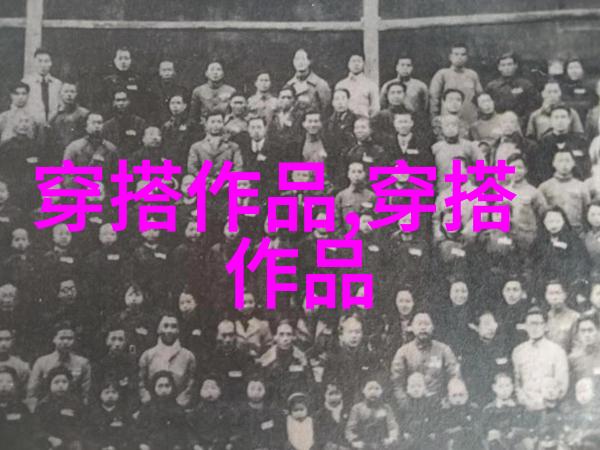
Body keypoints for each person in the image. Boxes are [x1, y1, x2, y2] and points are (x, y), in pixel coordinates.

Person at [391, 312, 460, 405]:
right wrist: (405, 403)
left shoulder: (444, 350)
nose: (423, 327)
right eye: (419, 324)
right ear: (412, 328)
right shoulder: (403, 352)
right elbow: (397, 382)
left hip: (439, 404)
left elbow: (455, 376)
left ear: (432, 327)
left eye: (427, 324)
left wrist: (448, 400)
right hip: (412, 404)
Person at [512, 307, 569, 411]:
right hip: (524, 408)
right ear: (525, 326)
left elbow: (562, 384)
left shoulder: (557, 351)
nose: (534, 328)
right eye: (530, 324)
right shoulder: (518, 351)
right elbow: (516, 384)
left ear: (545, 326)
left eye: (538, 324)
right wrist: (525, 401)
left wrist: (544, 402)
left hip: (549, 408)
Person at [27, 321, 91, 410]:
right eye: (62, 338)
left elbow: (85, 394)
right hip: (47, 409)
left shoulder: (83, 363)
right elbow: (32, 392)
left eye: (70, 338)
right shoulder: (42, 362)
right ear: (54, 339)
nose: (66, 342)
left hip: (73, 408)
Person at [138, 313, 196, 408]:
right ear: (159, 329)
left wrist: (184, 399)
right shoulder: (148, 355)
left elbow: (191, 380)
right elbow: (140, 380)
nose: (169, 330)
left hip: (179, 406)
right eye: (165, 326)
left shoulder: (188, 356)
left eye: (173, 326)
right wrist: (146, 398)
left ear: (178, 330)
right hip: (153, 406)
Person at [135, 370, 193, 450]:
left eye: (167, 386)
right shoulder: (147, 408)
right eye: (160, 386)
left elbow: (184, 431)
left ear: (172, 387)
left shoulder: (178, 409)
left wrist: (179, 445)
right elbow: (139, 430)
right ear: (154, 387)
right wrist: (143, 444)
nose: (164, 390)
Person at [538, 148, 590, 234]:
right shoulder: (544, 187)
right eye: (560, 161)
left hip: (576, 232)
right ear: (553, 163)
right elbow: (541, 213)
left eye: (567, 161)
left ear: (573, 163)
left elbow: (587, 211)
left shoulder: (581, 186)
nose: (564, 164)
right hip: (553, 231)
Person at [429, 43, 483, 124]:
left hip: (470, 120)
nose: (459, 57)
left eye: (463, 54)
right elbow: (434, 99)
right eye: (456, 54)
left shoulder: (472, 75)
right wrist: (434, 119)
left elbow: (480, 96)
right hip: (449, 122)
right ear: (450, 57)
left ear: (467, 57)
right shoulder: (442, 74)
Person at [35, 366, 84, 450]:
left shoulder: (75, 403)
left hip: (71, 443)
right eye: (56, 382)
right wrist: (50, 438)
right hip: (49, 443)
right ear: (49, 384)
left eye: (64, 382)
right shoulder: (43, 405)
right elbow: (37, 429)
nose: (61, 385)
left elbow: (81, 425)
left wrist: (76, 439)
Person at [232, 376, 286, 450]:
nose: (256, 392)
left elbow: (276, 433)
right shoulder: (241, 412)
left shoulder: (270, 411)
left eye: (259, 389)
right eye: (252, 389)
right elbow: (239, 434)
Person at [345, 377, 399, 449]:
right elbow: (350, 428)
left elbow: (392, 425)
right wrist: (354, 441)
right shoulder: (357, 408)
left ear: (381, 391)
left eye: (377, 389)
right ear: (363, 391)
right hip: (363, 444)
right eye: (369, 389)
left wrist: (392, 438)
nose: (373, 392)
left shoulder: (386, 408)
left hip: (382, 444)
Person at [485, 51, 539, 124]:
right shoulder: (492, 87)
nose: (506, 68)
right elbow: (486, 107)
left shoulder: (526, 85)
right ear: (499, 67)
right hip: (498, 124)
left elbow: (533, 107)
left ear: (515, 66)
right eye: (503, 65)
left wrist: (522, 121)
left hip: (522, 123)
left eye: (509, 64)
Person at [187, 111, 243, 177]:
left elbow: (238, 168)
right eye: (212, 122)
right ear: (206, 124)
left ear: (223, 124)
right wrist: (208, 180)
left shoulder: (233, 147)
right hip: (203, 181)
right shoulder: (196, 147)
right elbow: (192, 168)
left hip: (226, 181)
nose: (216, 125)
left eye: (219, 122)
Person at [480, 372, 527, 450]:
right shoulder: (489, 409)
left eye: (507, 386)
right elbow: (484, 434)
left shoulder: (519, 407)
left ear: (512, 387)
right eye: (500, 386)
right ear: (494, 388)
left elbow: (525, 427)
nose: (504, 390)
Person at [97, 46, 146, 119]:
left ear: (130, 61)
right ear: (115, 61)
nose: (123, 61)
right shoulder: (107, 81)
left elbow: (142, 102)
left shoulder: (137, 80)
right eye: (120, 58)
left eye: (126, 58)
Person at [84, 379, 132, 450]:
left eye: (114, 392)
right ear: (100, 395)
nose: (110, 395)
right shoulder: (92, 414)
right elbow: (87, 437)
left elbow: (130, 435)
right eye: (106, 392)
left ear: (118, 395)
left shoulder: (124, 413)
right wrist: (100, 447)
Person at [188, 375, 233, 450]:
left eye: (213, 388)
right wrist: (195, 444)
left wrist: (230, 443)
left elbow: (231, 428)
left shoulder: (226, 410)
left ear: (220, 391)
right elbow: (191, 431)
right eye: (205, 388)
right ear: (200, 391)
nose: (209, 391)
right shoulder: (196, 411)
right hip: (202, 446)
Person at [48, 82, 89, 163]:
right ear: (60, 94)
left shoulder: (84, 114)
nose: (69, 94)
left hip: (77, 155)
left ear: (76, 94)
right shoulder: (54, 115)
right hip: (58, 156)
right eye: (66, 91)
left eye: (72, 92)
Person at [438, 378, 483, 450]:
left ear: (467, 395)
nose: (458, 399)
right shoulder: (445, 411)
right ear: (448, 397)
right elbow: (443, 431)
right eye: (454, 395)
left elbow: (478, 428)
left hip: (471, 442)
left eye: (461, 395)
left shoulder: (472, 409)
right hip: (453, 442)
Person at [102, 89, 147, 158]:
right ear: (114, 103)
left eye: (124, 100)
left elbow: (144, 146)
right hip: (115, 161)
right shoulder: (107, 126)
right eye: (118, 100)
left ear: (129, 102)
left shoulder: (140, 122)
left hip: (135, 160)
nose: (121, 103)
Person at [22, 48, 62, 124]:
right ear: (34, 62)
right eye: (39, 61)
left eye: (46, 61)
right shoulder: (26, 82)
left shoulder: (58, 84)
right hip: (31, 125)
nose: (43, 65)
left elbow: (61, 107)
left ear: (51, 63)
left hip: (53, 125)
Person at [286, 48, 332, 115]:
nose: (300, 62)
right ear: (293, 62)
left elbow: (326, 109)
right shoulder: (289, 85)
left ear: (309, 61)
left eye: (303, 59)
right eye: (297, 59)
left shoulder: (320, 84)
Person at [0, 366, 35, 450]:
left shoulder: (21, 407)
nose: (4, 385)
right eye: (0, 381)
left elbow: (30, 430)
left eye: (9, 382)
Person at [335, 162, 376, 232]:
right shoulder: (341, 196)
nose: (356, 175)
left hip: (366, 237)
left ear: (364, 174)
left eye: (359, 172)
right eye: (353, 172)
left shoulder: (371, 196)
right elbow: (336, 220)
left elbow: (376, 221)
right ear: (348, 174)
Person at [147, 59, 188, 125]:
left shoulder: (181, 90)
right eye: (164, 70)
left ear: (174, 72)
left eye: (169, 70)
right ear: (159, 72)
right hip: (157, 123)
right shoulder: (152, 90)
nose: (167, 73)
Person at [544, 280, 580, 352]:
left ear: (565, 295)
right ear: (546, 296)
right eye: (551, 293)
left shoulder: (575, 317)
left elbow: (577, 346)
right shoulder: (544, 317)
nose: (554, 297)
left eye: (558, 293)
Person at [561, 57, 595, 123]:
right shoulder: (563, 87)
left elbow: (592, 102)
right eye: (570, 68)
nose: (574, 71)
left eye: (577, 67)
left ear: (583, 69)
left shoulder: (590, 86)